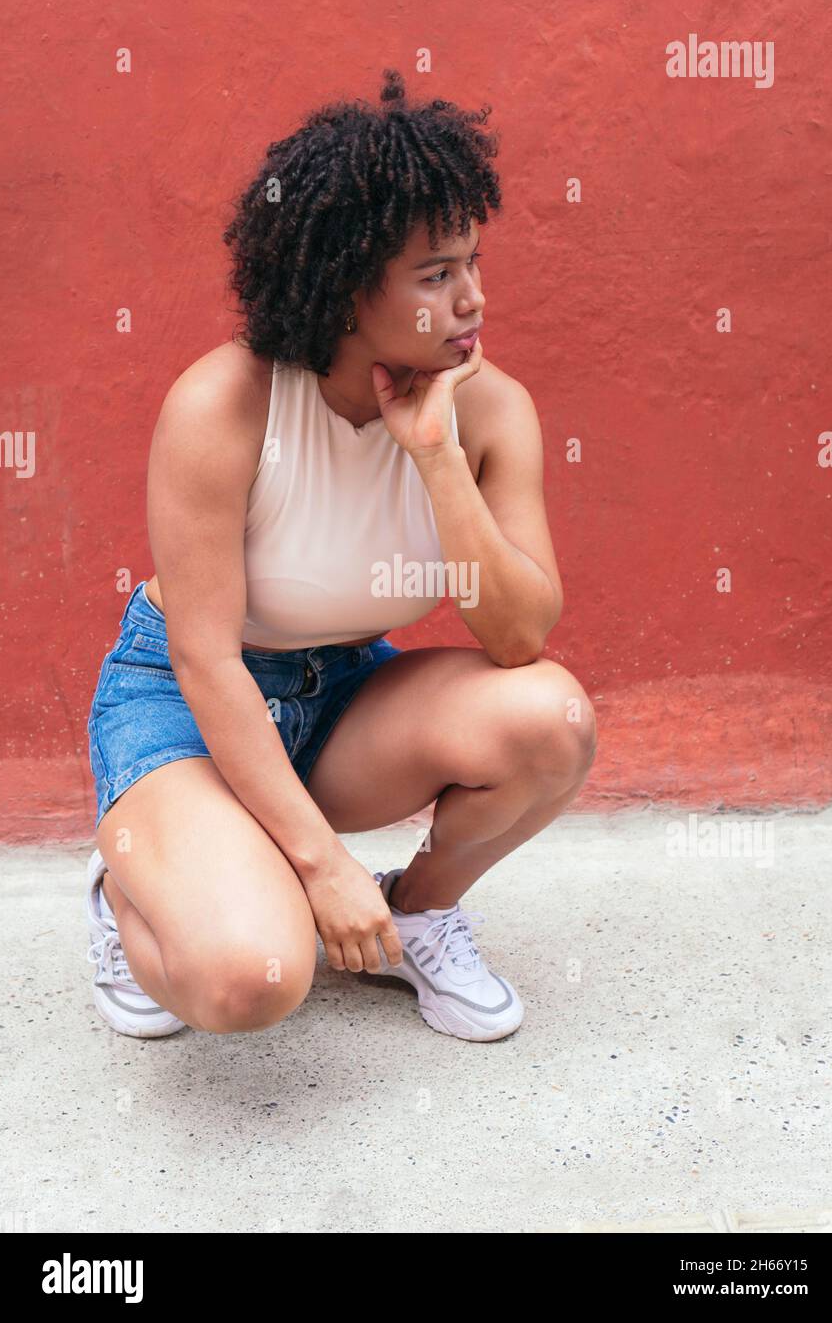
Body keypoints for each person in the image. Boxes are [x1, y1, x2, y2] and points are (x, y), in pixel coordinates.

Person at [85, 67, 597, 1045]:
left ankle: (415, 909)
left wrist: (437, 457)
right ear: (346, 284)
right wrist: (320, 866)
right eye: (436, 274)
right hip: (188, 699)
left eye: (472, 263)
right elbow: (204, 657)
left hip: (340, 695)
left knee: (550, 718)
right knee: (250, 982)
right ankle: (127, 891)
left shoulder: (488, 410)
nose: (472, 298)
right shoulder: (226, 405)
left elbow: (520, 635)